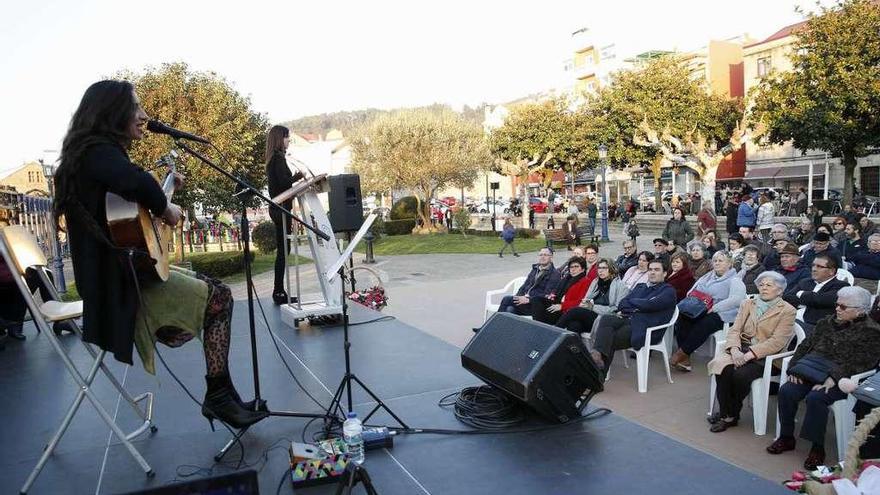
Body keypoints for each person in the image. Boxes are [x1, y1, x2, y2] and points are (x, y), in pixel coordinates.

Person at [53, 80, 267, 429]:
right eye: (135, 108)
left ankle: (221, 392)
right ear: (112, 113)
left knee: (217, 297)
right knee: (219, 299)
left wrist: (163, 195)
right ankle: (217, 394)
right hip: (119, 291)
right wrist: (164, 206)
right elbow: (136, 183)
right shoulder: (96, 152)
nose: (144, 116)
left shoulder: (91, 154)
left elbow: (123, 212)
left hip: (126, 278)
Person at [767, 286, 880, 470]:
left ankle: (817, 447)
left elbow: (864, 362)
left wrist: (834, 377)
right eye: (837, 304)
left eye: (843, 307)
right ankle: (786, 437)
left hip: (842, 378)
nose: (837, 309)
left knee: (816, 398)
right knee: (787, 390)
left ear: (860, 311)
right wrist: (795, 368)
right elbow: (804, 346)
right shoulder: (825, 322)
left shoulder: (872, 331)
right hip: (812, 371)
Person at [707, 271, 796, 432]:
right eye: (761, 285)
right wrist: (734, 349)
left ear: (780, 290)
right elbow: (735, 329)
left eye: (769, 285)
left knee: (740, 374)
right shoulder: (748, 303)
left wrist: (749, 355)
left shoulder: (787, 310)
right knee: (722, 369)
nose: (764, 288)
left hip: (767, 357)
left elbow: (777, 342)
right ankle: (728, 413)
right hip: (741, 349)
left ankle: (730, 413)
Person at [587, 259, 677, 375]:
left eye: (656, 270)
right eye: (650, 270)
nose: (652, 272)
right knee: (606, 319)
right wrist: (639, 305)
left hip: (646, 329)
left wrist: (634, 302)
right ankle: (596, 357)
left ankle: (597, 374)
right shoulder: (641, 287)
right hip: (628, 321)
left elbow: (651, 305)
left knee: (608, 338)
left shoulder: (668, 291)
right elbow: (622, 304)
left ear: (664, 273)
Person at [670, 251, 746, 372]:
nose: (717, 263)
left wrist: (715, 308)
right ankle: (685, 358)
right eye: (715, 260)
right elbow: (692, 290)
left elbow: (737, 300)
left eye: (721, 261)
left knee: (705, 323)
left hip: (723, 313)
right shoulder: (708, 275)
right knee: (683, 318)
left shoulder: (735, 279)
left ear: (729, 263)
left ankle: (681, 353)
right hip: (702, 308)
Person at [265, 125, 304, 305]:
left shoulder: (273, 158)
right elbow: (284, 185)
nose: (289, 141)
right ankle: (278, 291)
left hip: (279, 208)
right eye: (287, 137)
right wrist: (298, 177)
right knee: (283, 251)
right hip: (281, 209)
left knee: (283, 250)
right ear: (280, 138)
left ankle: (279, 290)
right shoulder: (278, 159)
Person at [556, 259, 629, 335]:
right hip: (590, 316)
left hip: (605, 317)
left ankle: (553, 334)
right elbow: (586, 299)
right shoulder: (595, 282)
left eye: (604, 268)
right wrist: (585, 304)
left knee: (575, 311)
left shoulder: (621, 286)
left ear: (612, 269)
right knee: (574, 325)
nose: (600, 271)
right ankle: (570, 346)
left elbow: (616, 309)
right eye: (599, 268)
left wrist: (593, 307)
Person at [783, 253, 851, 331]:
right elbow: (788, 297)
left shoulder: (841, 286)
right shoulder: (805, 282)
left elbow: (821, 300)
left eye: (819, 267)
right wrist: (811, 301)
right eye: (813, 265)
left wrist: (801, 294)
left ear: (832, 271)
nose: (814, 269)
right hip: (792, 320)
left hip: (816, 326)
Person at [494, 247, 561, 317]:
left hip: (536, 306)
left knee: (507, 299)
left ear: (551, 257)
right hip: (525, 303)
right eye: (541, 255)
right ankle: (502, 327)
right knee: (510, 310)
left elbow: (547, 294)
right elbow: (524, 286)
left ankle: (493, 326)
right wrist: (519, 297)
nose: (542, 257)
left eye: (545, 255)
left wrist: (529, 299)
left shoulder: (554, 274)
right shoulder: (535, 269)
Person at [533, 256, 589, 325]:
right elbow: (556, 291)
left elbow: (581, 302)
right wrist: (552, 295)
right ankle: (538, 326)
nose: (573, 269)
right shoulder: (567, 278)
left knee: (540, 312)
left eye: (576, 267)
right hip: (557, 302)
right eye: (571, 267)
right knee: (536, 300)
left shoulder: (585, 281)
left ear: (583, 269)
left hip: (566, 309)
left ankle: (540, 327)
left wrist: (562, 306)